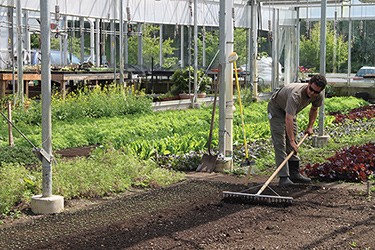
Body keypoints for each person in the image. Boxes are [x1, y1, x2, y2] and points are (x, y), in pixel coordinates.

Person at [267, 74, 327, 185]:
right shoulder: (296, 95)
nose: (312, 93)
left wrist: (310, 126)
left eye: (316, 92)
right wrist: (292, 141)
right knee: (281, 141)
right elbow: (288, 118)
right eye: (311, 90)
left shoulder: (318, 95)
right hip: (277, 108)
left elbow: (314, 109)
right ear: (308, 83)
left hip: (290, 112)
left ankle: (294, 173)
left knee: (293, 137)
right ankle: (283, 177)